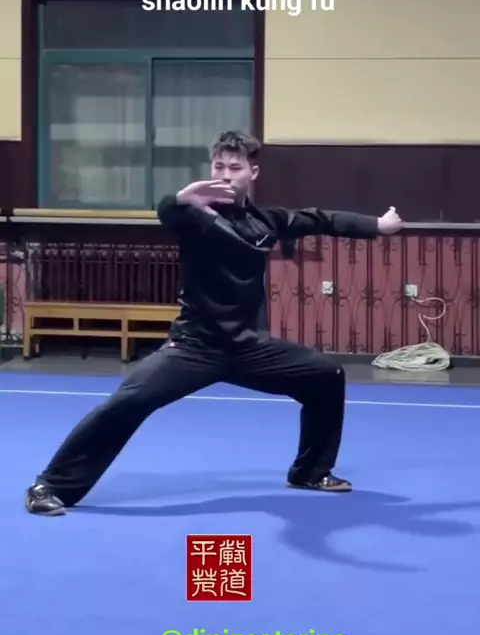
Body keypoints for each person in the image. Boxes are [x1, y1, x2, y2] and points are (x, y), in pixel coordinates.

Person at [25, 130, 402, 515]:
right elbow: (168, 212)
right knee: (129, 402)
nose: (225, 174)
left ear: (252, 173)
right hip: (195, 348)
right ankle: (50, 485)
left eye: (234, 168)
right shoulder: (195, 216)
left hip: (251, 349)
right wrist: (181, 198)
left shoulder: (267, 221)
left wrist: (378, 224)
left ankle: (310, 471)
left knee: (326, 375)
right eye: (218, 166)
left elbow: (319, 219)